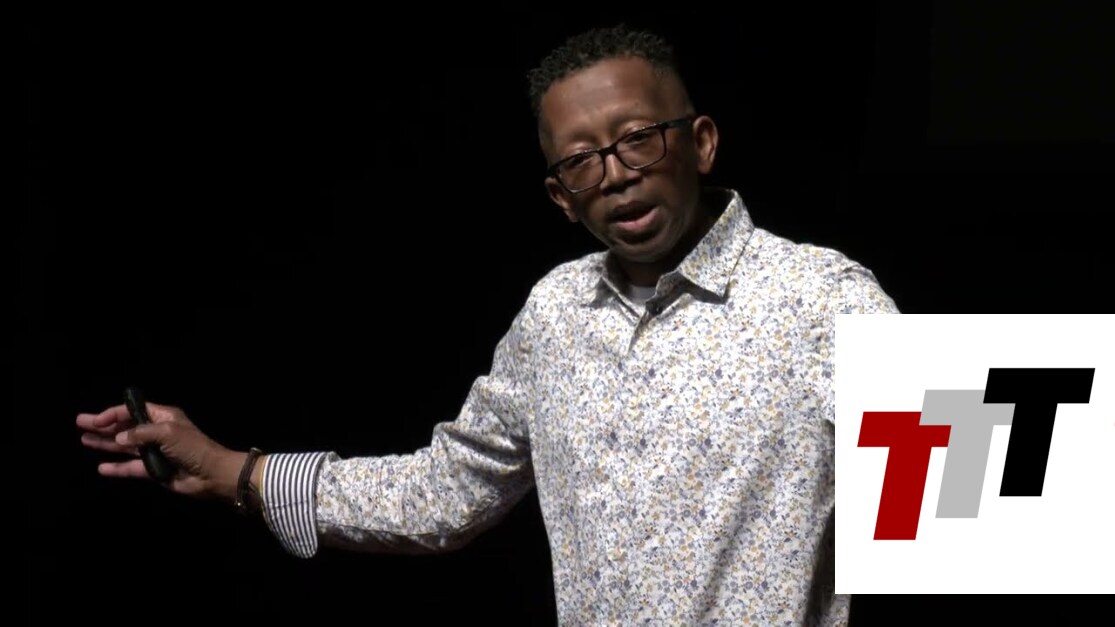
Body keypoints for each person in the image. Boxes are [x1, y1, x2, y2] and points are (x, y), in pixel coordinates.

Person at [77, 23, 899, 625]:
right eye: (581, 160)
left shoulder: (820, 297)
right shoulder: (554, 314)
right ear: (560, 196)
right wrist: (233, 469)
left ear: (702, 143)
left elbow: (946, 511)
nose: (615, 175)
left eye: (637, 140)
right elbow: (445, 492)